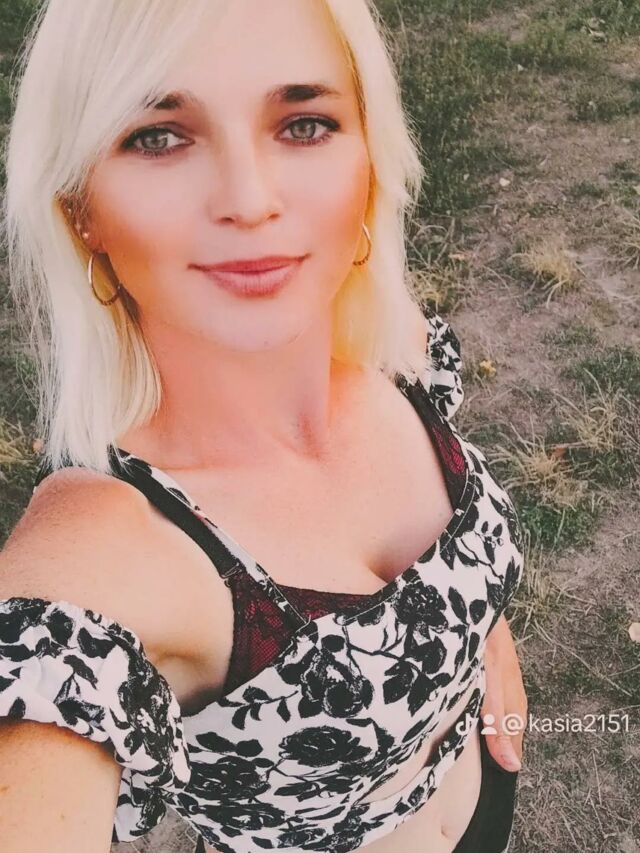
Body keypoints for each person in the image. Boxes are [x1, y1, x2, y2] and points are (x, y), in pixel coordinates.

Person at [0, 1, 527, 851]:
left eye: (305, 124)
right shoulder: (106, 555)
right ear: (79, 209)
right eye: (159, 137)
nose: (249, 200)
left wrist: (476, 638)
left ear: (369, 157)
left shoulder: (399, 362)